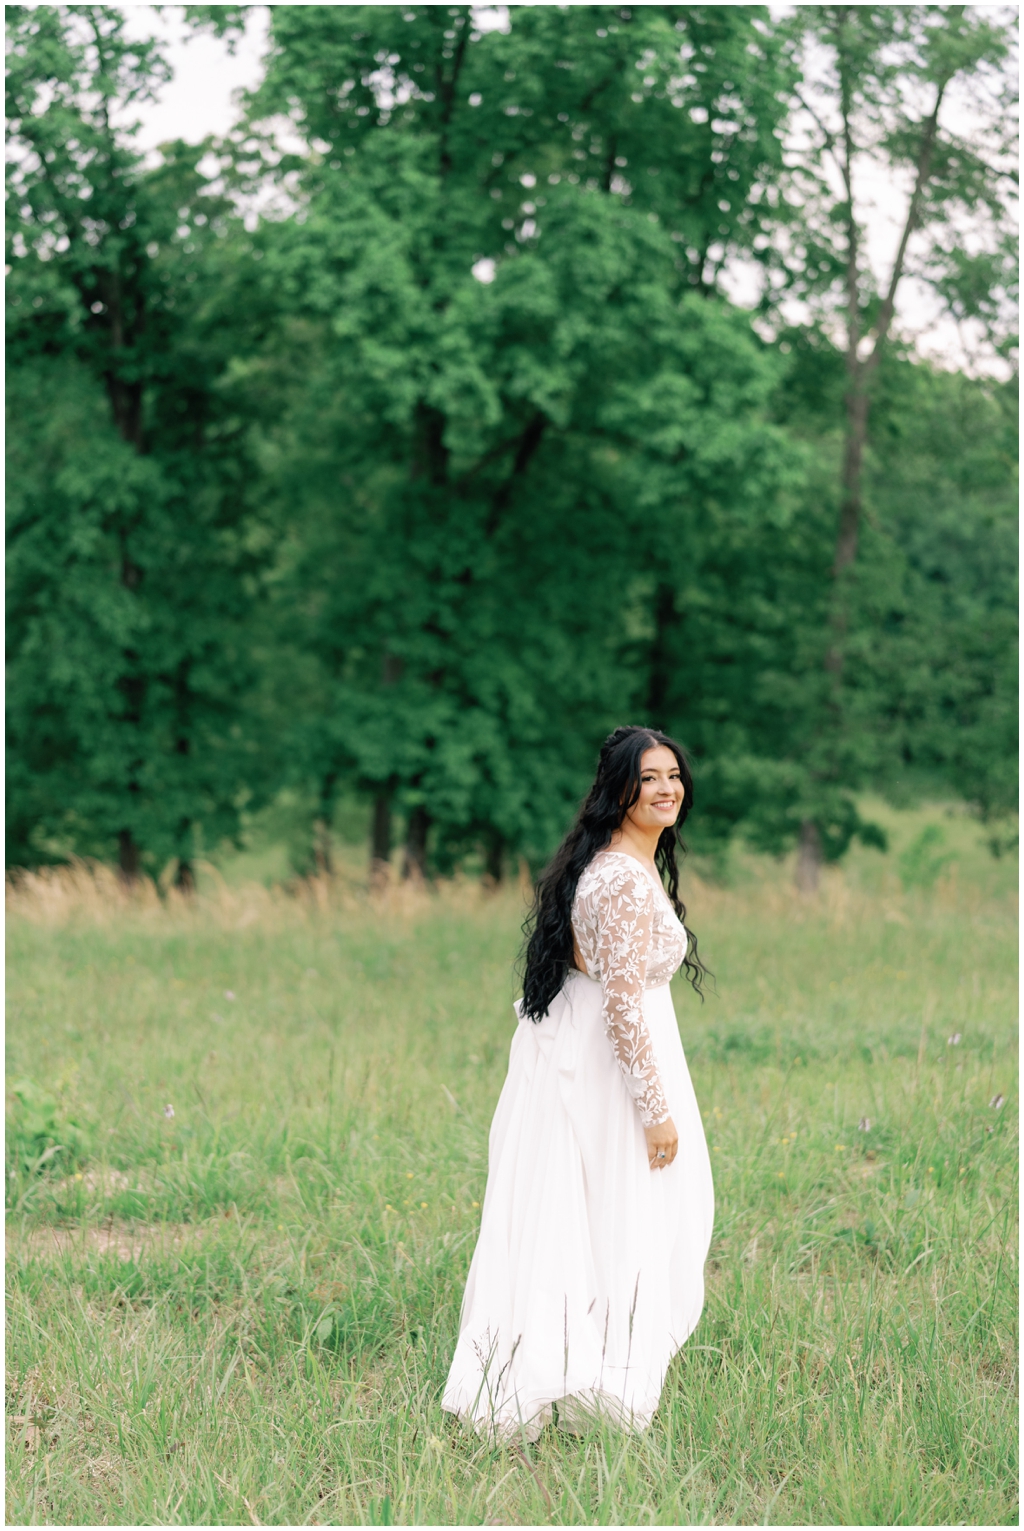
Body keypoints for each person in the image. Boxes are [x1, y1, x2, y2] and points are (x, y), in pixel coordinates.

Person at [443, 726, 715, 1442]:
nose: (666, 788)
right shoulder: (621, 876)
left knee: (607, 1213)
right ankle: (595, 1381)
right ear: (618, 789)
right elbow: (622, 1003)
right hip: (612, 1068)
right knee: (620, 1211)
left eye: (673, 775)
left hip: (606, 1055)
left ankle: (592, 1371)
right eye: (648, 777)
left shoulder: (621, 862)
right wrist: (655, 1111)